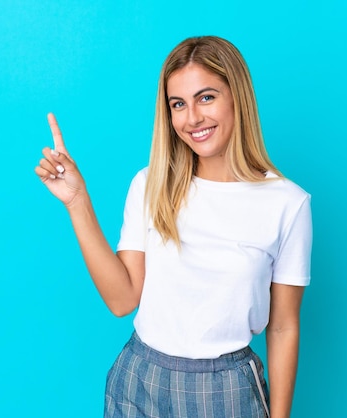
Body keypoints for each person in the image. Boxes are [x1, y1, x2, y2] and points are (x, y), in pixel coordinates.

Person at [35, 36, 312, 418]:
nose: (192, 118)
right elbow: (122, 299)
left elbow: (282, 328)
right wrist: (77, 201)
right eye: (178, 104)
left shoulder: (288, 203)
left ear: (238, 97)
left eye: (207, 97)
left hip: (226, 390)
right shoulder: (150, 185)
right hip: (140, 379)